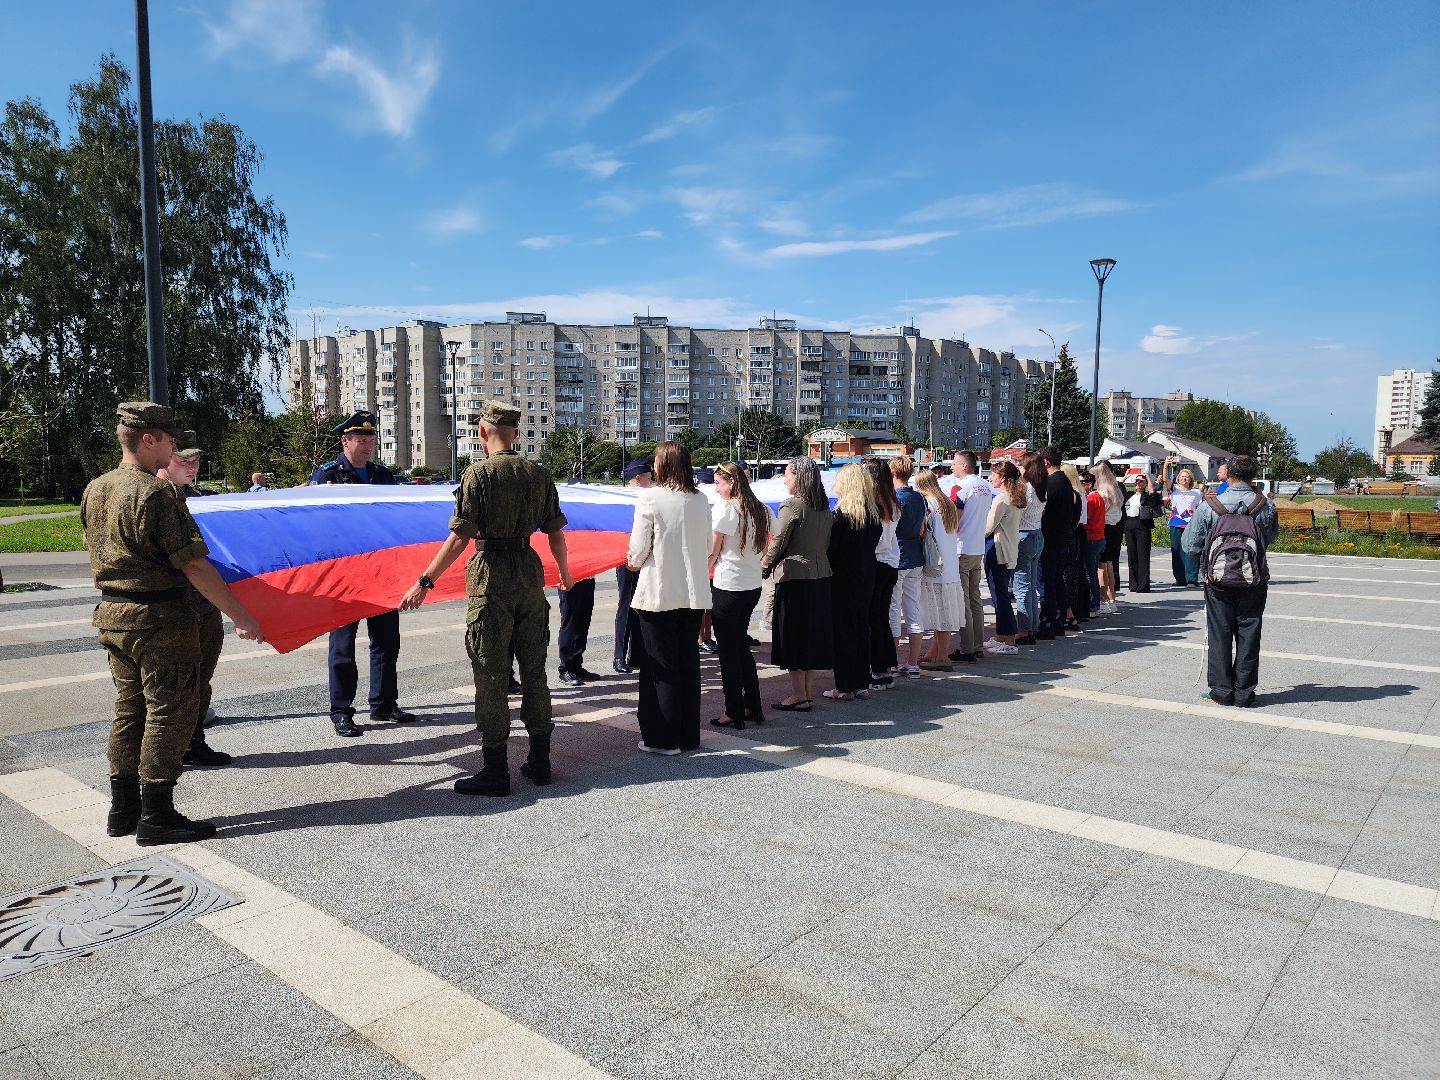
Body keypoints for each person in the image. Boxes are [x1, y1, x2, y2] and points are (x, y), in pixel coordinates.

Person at [82, 403, 263, 846]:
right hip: (159, 620)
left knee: (130, 709)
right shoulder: (155, 493)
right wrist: (240, 614)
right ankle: (158, 814)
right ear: (148, 439)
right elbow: (194, 565)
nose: (174, 446)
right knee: (170, 712)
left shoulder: (97, 487)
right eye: (169, 439)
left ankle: (123, 808)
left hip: (113, 615)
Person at [400, 401, 573, 795]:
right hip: (530, 577)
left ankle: (496, 771)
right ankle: (540, 762)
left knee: (492, 676)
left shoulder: (477, 475)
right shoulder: (539, 474)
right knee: (535, 672)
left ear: (482, 431)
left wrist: (424, 581)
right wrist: (564, 574)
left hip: (490, 576)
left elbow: (461, 537)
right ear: (515, 432)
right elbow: (557, 534)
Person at [311, 411, 416, 737]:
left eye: (371, 440)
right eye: (361, 440)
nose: (368, 446)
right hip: (345, 575)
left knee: (386, 642)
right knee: (343, 646)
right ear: (345, 441)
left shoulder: (383, 476)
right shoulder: (328, 476)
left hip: (381, 572)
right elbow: (316, 523)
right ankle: (342, 711)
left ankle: (383, 703)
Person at [625, 441, 713, 753]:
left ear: (661, 465)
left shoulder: (649, 497)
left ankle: (662, 738)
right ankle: (688, 735)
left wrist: (633, 561)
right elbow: (706, 545)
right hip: (692, 593)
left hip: (659, 592)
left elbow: (637, 550)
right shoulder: (701, 499)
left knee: (659, 667)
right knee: (688, 664)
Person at [155, 436, 231, 769]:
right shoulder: (155, 499)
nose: (193, 467)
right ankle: (162, 754)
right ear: (165, 459)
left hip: (204, 602)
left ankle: (194, 740)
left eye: (197, 461)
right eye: (185, 461)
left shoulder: (202, 500)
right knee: (171, 683)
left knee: (202, 675)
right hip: (171, 604)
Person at [1182, 455, 1277, 707]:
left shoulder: (1210, 506)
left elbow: (1189, 545)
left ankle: (1222, 691)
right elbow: (1271, 539)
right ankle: (1245, 693)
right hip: (1254, 580)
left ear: (1229, 474)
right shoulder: (1265, 506)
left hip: (1217, 581)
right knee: (1249, 632)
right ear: (1253, 475)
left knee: (1220, 634)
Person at [764, 455, 835, 710]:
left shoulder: (791, 506)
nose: (784, 478)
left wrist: (764, 567)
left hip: (794, 577)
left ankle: (798, 694)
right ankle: (805, 693)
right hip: (820, 576)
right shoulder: (824, 507)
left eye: (787, 473)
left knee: (793, 636)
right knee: (809, 637)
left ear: (799, 476)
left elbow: (778, 542)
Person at [708, 460, 772, 729]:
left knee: (728, 650)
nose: (716, 489)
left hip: (729, 585)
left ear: (732, 482)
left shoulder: (726, 509)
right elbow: (775, 537)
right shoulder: (761, 508)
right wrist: (759, 561)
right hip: (751, 585)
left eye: (719, 483)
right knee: (741, 647)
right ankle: (752, 705)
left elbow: (712, 552)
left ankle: (733, 709)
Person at [824, 464, 882, 698]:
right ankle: (861, 683)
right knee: (861, 629)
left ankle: (844, 686)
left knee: (843, 632)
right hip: (867, 574)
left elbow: (831, 551)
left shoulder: (841, 517)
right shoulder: (874, 514)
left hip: (842, 578)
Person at [913, 468, 962, 671]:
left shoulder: (927, 504)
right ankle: (934, 652)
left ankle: (942, 657)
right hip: (949, 563)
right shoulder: (947, 503)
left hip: (935, 564)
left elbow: (921, 531)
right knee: (945, 613)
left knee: (939, 616)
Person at [948, 451, 992, 663]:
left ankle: (967, 648)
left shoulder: (961, 488)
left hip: (962, 547)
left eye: (954, 464)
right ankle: (977, 645)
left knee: (964, 600)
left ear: (964, 466)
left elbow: (953, 521)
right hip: (977, 547)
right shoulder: (985, 486)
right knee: (975, 599)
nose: (951, 468)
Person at [888, 457, 927, 678]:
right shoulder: (919, 497)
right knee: (913, 611)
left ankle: (892, 662)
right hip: (915, 556)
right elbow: (922, 527)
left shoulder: (893, 498)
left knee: (893, 611)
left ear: (893, 472)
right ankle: (912, 663)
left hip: (897, 557)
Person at [612, 459, 652, 673]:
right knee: (626, 606)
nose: (651, 482)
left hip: (644, 560)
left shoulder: (647, 498)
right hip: (626, 561)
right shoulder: (622, 500)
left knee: (641, 606)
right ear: (638, 479)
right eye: (648, 478)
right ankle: (619, 656)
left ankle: (636, 654)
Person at [866, 459, 901, 690]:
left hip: (877, 562)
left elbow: (875, 540)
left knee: (873, 619)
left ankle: (878, 670)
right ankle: (887, 668)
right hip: (891, 562)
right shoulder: (893, 501)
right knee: (882, 617)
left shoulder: (875, 503)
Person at [984, 461, 1025, 654]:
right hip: (1009, 551)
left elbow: (987, 528)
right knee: (1000, 594)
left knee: (1000, 597)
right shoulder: (1015, 497)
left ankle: (1009, 641)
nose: (990, 477)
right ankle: (1001, 636)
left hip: (998, 551)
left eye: (993, 474)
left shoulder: (1001, 499)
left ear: (1003, 478)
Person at [1038, 447, 1076, 638]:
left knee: (1048, 582)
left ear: (1045, 462)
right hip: (1062, 538)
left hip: (1050, 539)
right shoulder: (1065, 481)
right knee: (1057, 581)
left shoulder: (1052, 483)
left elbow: (1044, 512)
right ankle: (1059, 619)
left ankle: (1049, 622)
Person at [1013, 454, 1047, 646]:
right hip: (1036, 533)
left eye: (1021, 465)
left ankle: (1025, 629)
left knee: (1022, 586)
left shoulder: (1025, 488)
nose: (1019, 467)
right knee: (1031, 585)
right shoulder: (1042, 488)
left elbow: (1017, 512)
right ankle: (1032, 626)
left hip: (1023, 535)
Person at [1163, 461, 1203, 588]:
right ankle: (1180, 579)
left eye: (1187, 476)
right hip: (1176, 523)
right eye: (1182, 476)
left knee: (1190, 551)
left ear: (1190, 479)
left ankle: (1191, 579)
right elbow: (1165, 480)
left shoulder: (1197, 493)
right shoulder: (1175, 490)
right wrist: (1165, 465)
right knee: (1176, 551)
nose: (1184, 478)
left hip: (1191, 524)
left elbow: (1201, 508)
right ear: (1178, 479)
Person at [1124, 473, 1164, 592]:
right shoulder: (1129, 495)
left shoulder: (1146, 496)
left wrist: (1147, 476)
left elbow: (1153, 495)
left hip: (1142, 525)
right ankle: (1133, 584)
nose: (1138, 483)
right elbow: (1118, 488)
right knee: (1132, 556)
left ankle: (1143, 585)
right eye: (1136, 481)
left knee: (1143, 555)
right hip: (1129, 524)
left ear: (1145, 484)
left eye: (1141, 481)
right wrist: (1125, 477)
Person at [1063, 464, 1092, 626]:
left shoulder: (1073, 494)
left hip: (1073, 531)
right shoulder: (1080, 493)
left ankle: (1072, 610)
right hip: (1079, 530)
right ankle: (1081, 609)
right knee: (1079, 572)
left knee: (1072, 574)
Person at [1093, 460, 1124, 607]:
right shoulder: (1115, 488)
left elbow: (1099, 511)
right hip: (1115, 528)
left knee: (1101, 566)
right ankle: (1112, 598)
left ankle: (1104, 599)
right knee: (1110, 565)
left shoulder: (1102, 492)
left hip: (1103, 527)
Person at [1080, 470, 1108, 613]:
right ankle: (1095, 602)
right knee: (1093, 572)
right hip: (1099, 538)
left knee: (1089, 573)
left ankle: (1093, 604)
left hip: (1091, 538)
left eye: (1082, 482)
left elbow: (1085, 518)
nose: (1080, 485)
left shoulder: (1091, 499)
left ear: (1090, 484)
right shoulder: (1098, 497)